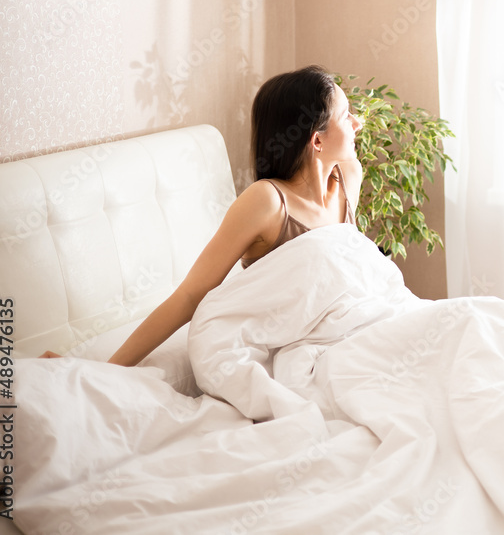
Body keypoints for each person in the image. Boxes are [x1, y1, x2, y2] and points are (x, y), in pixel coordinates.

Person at [40, 65, 363, 366]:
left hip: (355, 328)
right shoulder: (266, 202)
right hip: (299, 351)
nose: (357, 123)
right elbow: (191, 294)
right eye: (346, 115)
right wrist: (104, 369)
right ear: (317, 140)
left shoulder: (349, 177)